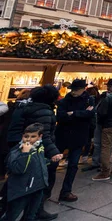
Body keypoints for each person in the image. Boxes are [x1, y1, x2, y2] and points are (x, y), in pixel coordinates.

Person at [6, 85, 62, 221]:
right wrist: (54, 152)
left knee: (20, 181)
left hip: (19, 148)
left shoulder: (23, 106)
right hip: (33, 152)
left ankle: (31, 211)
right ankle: (34, 212)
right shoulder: (43, 111)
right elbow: (44, 135)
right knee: (37, 182)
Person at [54, 79, 95, 202]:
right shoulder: (65, 100)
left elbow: (91, 114)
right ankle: (45, 191)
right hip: (63, 135)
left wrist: (73, 113)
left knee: (73, 166)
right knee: (53, 164)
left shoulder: (89, 99)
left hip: (79, 136)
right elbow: (60, 116)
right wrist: (81, 114)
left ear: (84, 89)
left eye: (76, 90)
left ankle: (66, 192)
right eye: (73, 89)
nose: (74, 92)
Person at [4, 123, 49, 221]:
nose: (28, 139)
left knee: (30, 215)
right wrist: (25, 153)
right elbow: (18, 169)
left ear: (39, 137)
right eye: (26, 136)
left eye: (33, 136)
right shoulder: (17, 151)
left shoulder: (39, 147)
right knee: (12, 215)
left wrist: (48, 162)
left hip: (37, 187)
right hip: (22, 190)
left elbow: (39, 162)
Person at [82, 79, 112, 173]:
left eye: (110, 86)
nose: (108, 87)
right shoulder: (104, 95)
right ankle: (95, 162)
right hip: (100, 122)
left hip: (110, 124)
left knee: (107, 145)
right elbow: (98, 106)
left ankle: (104, 164)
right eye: (108, 86)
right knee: (97, 143)